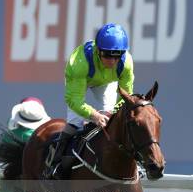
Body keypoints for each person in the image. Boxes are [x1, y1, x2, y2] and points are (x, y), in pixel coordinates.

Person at [45, 23, 134, 178]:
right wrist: (94, 115)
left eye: (117, 54)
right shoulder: (79, 63)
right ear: (98, 50)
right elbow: (74, 101)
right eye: (107, 55)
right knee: (76, 121)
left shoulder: (126, 63)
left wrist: (111, 112)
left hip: (106, 82)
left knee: (114, 117)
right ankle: (56, 164)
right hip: (82, 79)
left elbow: (126, 98)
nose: (112, 62)